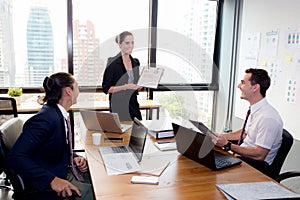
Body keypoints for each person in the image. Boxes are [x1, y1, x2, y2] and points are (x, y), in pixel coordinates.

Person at [7, 72, 94, 200]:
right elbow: (15, 157)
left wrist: (74, 156)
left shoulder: (57, 113)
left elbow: (54, 145)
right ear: (68, 91)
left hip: (63, 167)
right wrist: (52, 180)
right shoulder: (45, 119)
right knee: (102, 193)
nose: (79, 91)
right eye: (77, 86)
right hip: (51, 177)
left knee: (98, 178)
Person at [214, 68, 283, 174]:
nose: (238, 86)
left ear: (255, 87)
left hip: (254, 168)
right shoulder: (256, 110)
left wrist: (228, 145)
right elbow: (246, 133)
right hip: (242, 159)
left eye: (242, 83)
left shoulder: (268, 117)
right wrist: (223, 137)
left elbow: (259, 154)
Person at [102, 31, 142, 121]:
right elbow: (106, 88)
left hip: (133, 105)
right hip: (118, 107)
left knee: (138, 132)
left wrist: (149, 79)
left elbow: (137, 87)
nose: (131, 46)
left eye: (132, 42)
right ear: (119, 44)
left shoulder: (136, 62)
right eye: (127, 43)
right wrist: (126, 86)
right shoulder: (112, 62)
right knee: (121, 133)